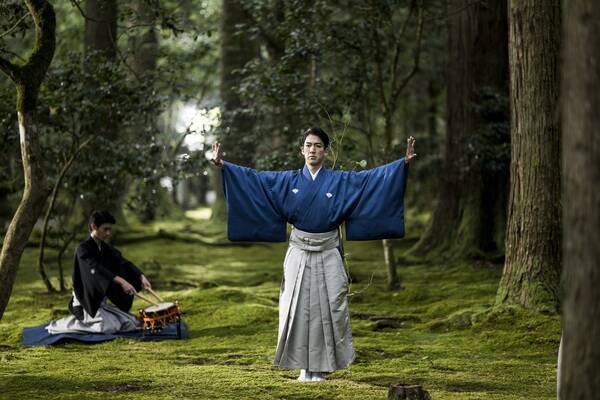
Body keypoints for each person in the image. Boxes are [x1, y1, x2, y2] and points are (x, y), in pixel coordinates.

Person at [212, 127, 416, 382]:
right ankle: (302, 368)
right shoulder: (288, 181)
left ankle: (321, 368)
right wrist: (223, 166)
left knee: (329, 307)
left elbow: (370, 180)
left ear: (325, 151)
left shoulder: (340, 181)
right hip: (298, 250)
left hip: (329, 250)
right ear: (301, 150)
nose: (312, 149)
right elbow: (256, 180)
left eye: (318, 145)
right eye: (308, 145)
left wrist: (401, 165)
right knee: (296, 308)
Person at [46, 210, 152, 335]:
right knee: (108, 328)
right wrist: (122, 281)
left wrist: (140, 276)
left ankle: (105, 317)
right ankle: (61, 325)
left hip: (100, 304)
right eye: (105, 229)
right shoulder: (83, 249)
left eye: (110, 229)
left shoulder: (105, 248)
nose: (108, 233)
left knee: (129, 323)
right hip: (86, 304)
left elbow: (123, 262)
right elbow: (95, 269)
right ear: (94, 227)